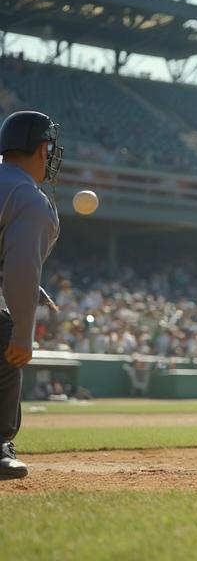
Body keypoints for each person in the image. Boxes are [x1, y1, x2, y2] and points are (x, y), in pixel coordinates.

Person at [0, 111, 62, 479]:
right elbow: (21, 268)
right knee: (8, 348)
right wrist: (24, 332)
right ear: (43, 150)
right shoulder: (29, 197)